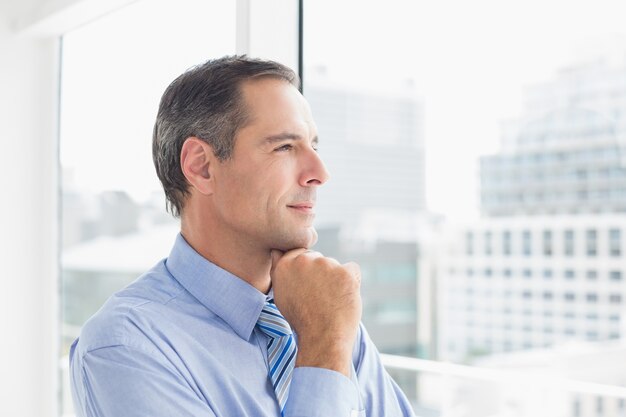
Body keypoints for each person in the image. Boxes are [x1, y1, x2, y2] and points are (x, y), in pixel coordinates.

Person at [70, 55, 416, 417]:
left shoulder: (326, 311)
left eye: (314, 146)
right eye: (284, 147)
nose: (320, 172)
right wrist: (323, 350)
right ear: (202, 166)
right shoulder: (125, 346)